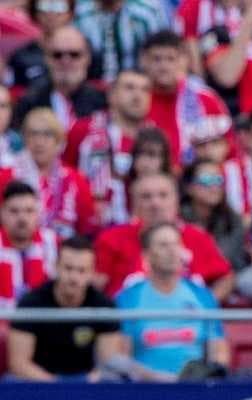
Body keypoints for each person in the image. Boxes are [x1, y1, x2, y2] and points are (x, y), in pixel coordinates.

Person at [115, 221, 229, 380]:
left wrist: (207, 377)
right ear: (146, 255)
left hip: (194, 390)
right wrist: (157, 378)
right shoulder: (128, 299)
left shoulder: (202, 296)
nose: (172, 251)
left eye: (176, 244)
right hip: (144, 391)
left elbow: (219, 352)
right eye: (163, 245)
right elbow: (120, 358)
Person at [95, 173, 234, 299]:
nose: (155, 203)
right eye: (146, 196)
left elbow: (226, 278)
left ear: (176, 201)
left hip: (186, 321)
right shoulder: (111, 238)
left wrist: (205, 305)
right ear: (134, 204)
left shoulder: (198, 238)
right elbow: (96, 284)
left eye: (163, 195)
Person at [8, 237, 122, 381]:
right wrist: (56, 385)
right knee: (11, 380)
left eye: (82, 271)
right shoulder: (31, 303)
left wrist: (86, 383)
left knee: (113, 381)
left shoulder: (104, 306)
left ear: (92, 273)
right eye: (68, 268)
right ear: (56, 266)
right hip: (39, 382)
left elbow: (109, 361)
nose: (74, 277)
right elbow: (19, 363)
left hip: (87, 382)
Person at [64, 69, 152, 229]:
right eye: (129, 88)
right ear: (111, 95)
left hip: (139, 230)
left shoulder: (154, 139)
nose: (138, 96)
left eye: (145, 90)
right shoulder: (84, 130)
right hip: (88, 227)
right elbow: (65, 173)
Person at [140, 30, 233, 168]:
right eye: (157, 59)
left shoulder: (205, 98)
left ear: (183, 61)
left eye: (171, 59)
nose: (164, 67)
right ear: (144, 61)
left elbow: (229, 146)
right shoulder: (137, 100)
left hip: (196, 181)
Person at [1, 108, 97, 241]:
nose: (39, 142)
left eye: (47, 134)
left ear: (59, 141)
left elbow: (87, 228)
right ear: (24, 139)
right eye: (33, 134)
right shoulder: (6, 176)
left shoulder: (76, 180)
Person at [13, 25, 107, 130]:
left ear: (88, 58)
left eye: (74, 54)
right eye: (57, 55)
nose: (66, 61)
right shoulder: (29, 101)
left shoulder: (103, 101)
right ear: (46, 58)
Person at [73, 0, 168, 83]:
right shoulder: (79, 13)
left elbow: (162, 50)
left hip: (138, 87)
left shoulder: (146, 12)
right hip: (90, 88)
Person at [0, 181, 60, 310]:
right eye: (14, 211)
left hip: (44, 323)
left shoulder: (54, 243)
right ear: (2, 213)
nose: (22, 218)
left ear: (38, 213)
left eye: (29, 211)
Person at [181, 159, 249, 272]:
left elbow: (223, 260)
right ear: (189, 187)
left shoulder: (232, 221)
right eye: (206, 180)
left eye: (218, 180)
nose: (214, 187)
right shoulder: (178, 219)